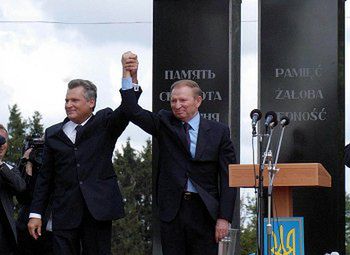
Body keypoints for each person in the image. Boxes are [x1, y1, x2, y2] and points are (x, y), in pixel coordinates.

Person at [120, 52, 237, 254]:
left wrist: (224, 217)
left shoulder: (219, 132)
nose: (177, 105)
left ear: (198, 101)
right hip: (173, 211)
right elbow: (131, 110)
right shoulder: (164, 123)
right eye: (173, 101)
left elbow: (228, 177)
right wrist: (129, 75)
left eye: (183, 100)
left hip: (205, 212)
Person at [28, 78, 141, 254]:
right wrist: (36, 214)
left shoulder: (105, 123)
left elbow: (127, 109)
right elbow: (45, 177)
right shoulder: (52, 134)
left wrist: (129, 78)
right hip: (64, 212)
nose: (68, 105)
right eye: (67, 100)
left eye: (74, 100)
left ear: (91, 102)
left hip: (97, 212)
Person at [16, 136, 53, 255]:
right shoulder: (26, 162)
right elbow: (22, 195)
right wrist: (25, 163)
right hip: (26, 226)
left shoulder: (58, 164)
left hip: (50, 229)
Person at [0, 124, 26, 255]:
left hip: (4, 233)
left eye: (3, 140)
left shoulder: (9, 168)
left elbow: (21, 187)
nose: (0, 143)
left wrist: (1, 166)